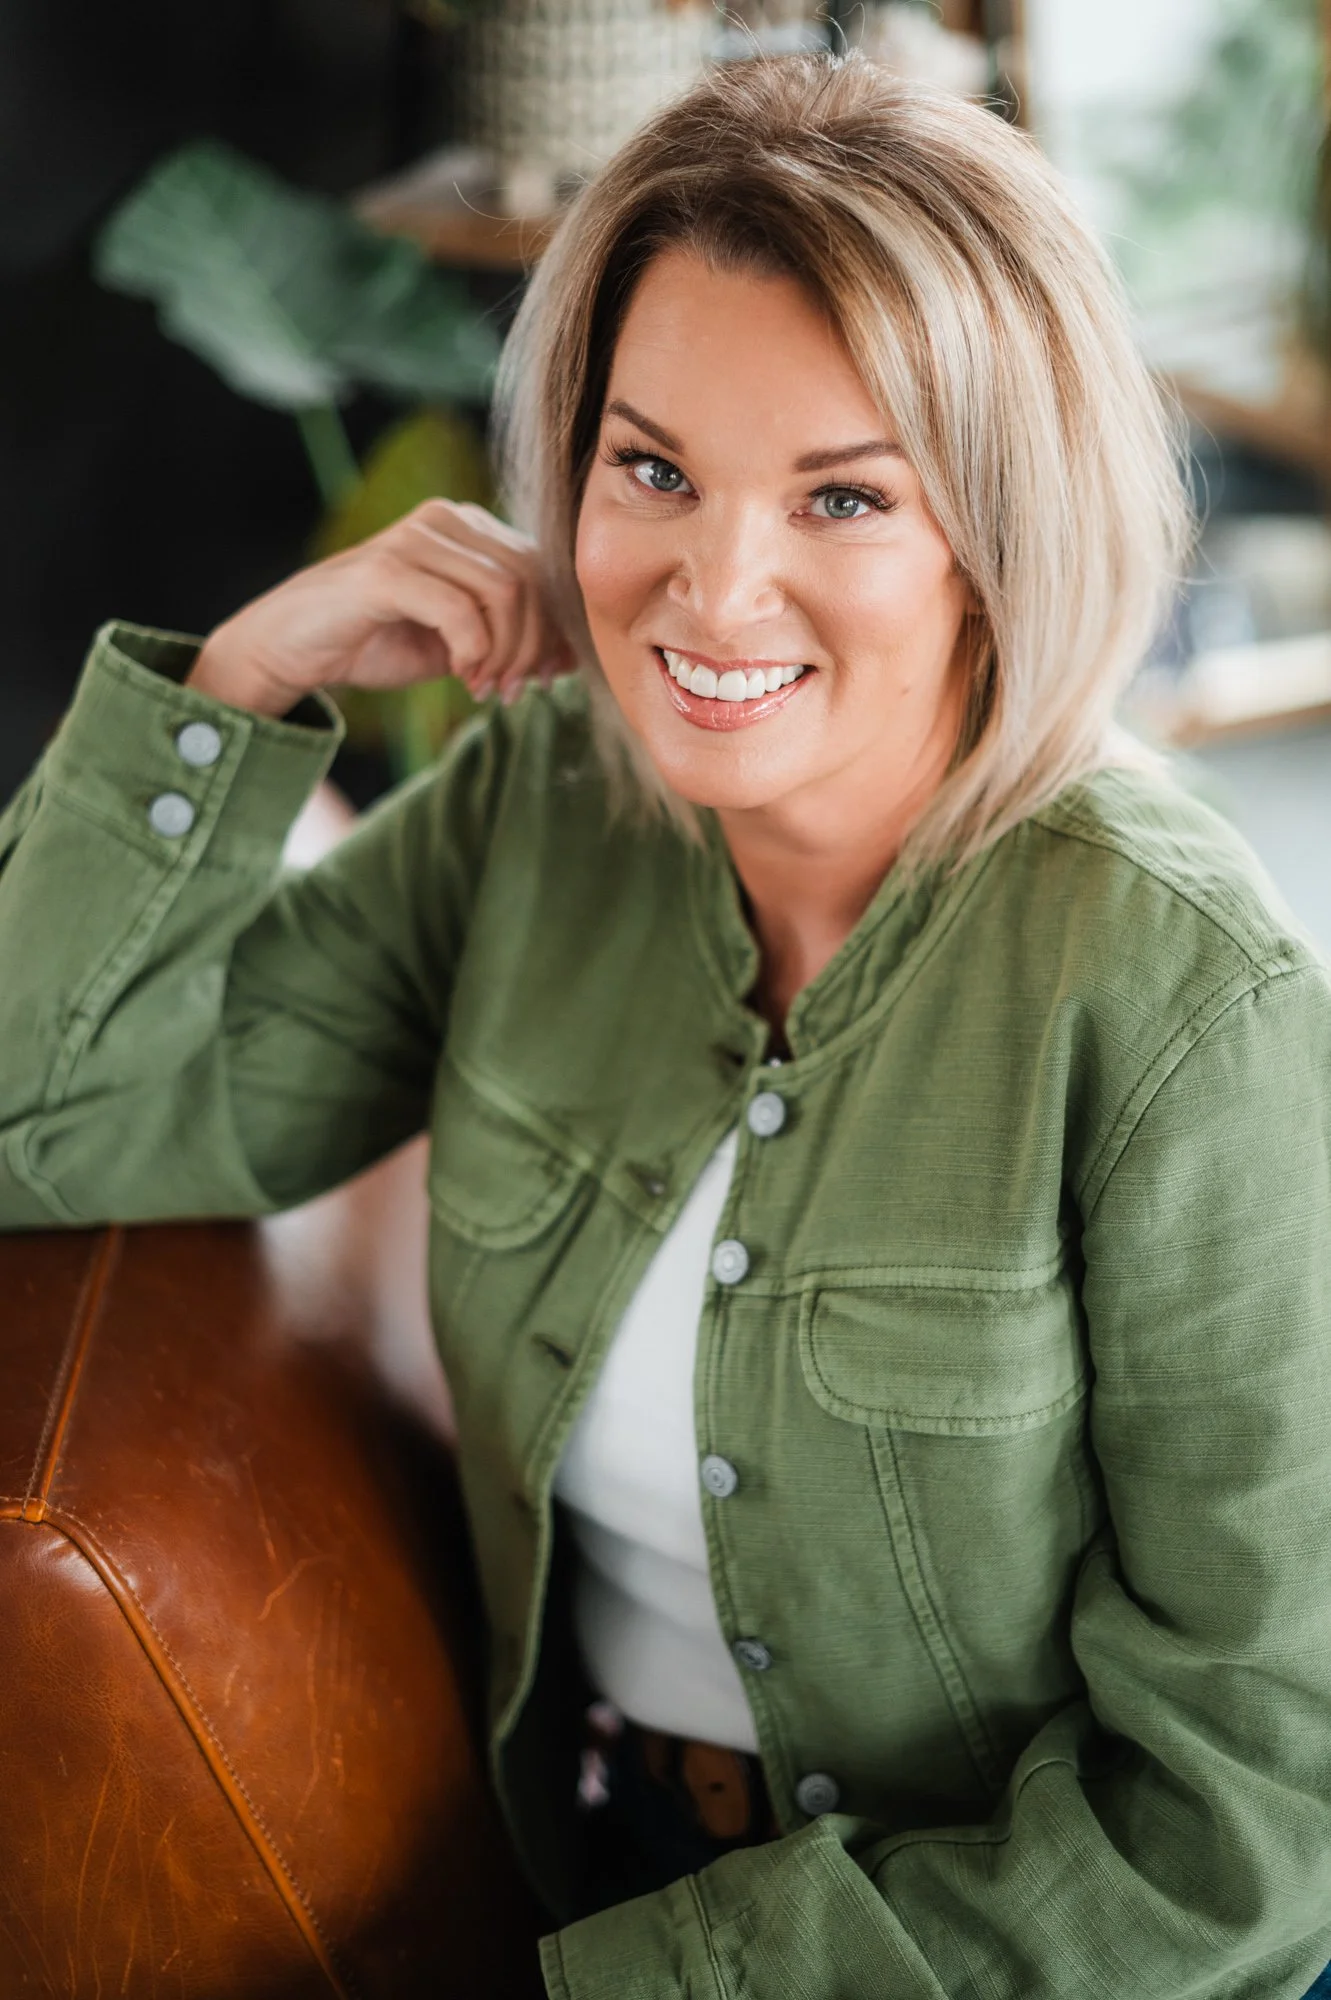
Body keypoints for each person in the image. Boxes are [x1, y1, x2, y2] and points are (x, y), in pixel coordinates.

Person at [2, 51, 1330, 2000]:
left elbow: (1242, 1819)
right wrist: (234, 683)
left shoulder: (1181, 990)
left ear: (995, 522)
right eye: (650, 468)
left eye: (840, 495)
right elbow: (45, 1116)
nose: (712, 587)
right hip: (597, 1858)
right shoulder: (541, 797)